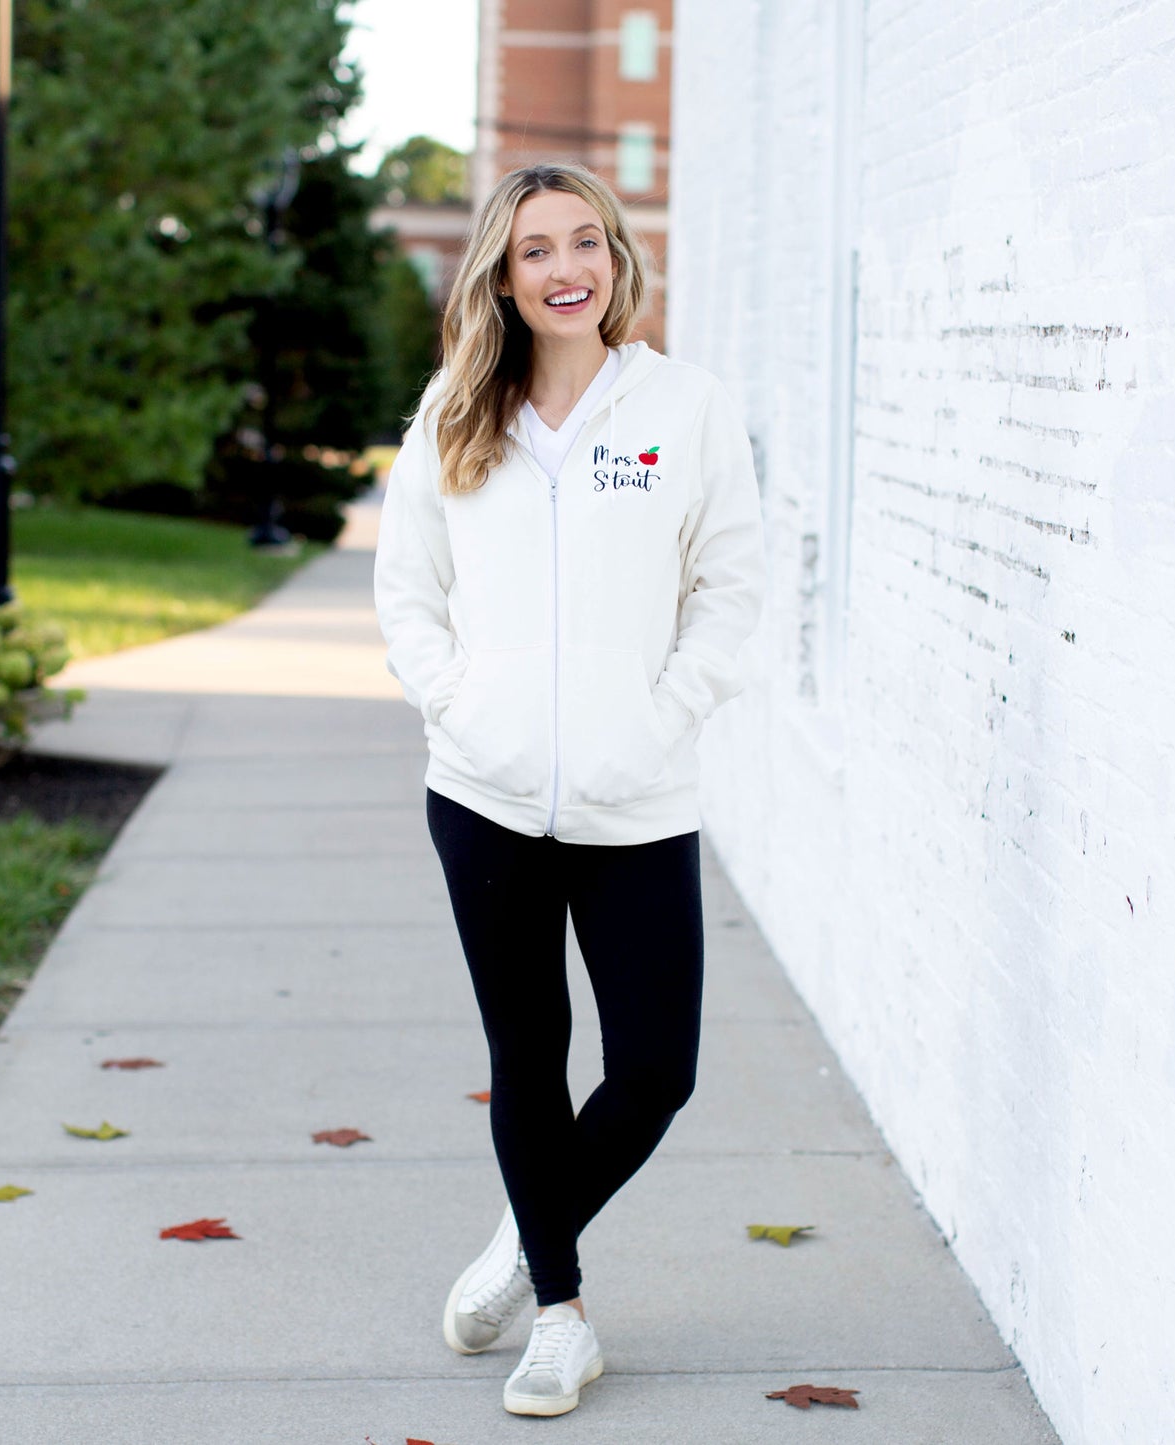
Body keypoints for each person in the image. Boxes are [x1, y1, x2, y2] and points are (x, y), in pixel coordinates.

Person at [372, 161, 765, 1418]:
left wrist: (663, 716)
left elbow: (729, 588)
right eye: (535, 248)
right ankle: (558, 1312)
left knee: (654, 1066)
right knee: (527, 1055)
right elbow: (405, 593)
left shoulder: (684, 407)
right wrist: (461, 706)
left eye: (583, 242)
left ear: (615, 261)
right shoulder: (453, 411)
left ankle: (518, 1237)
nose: (564, 268)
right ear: (502, 271)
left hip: (636, 798)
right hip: (482, 795)